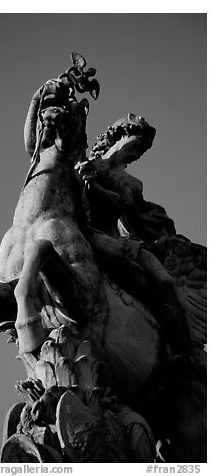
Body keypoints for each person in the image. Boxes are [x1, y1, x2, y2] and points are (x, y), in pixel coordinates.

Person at [75, 113, 191, 356]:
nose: (137, 154)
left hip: (118, 241)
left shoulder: (130, 182)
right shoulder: (81, 162)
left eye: (142, 151)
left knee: (166, 282)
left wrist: (94, 186)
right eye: (137, 145)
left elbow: (124, 208)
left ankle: (184, 353)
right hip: (80, 235)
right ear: (119, 136)